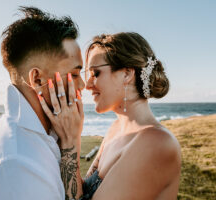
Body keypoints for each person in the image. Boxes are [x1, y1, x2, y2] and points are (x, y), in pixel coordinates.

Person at [39, 32, 182, 199]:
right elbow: (82, 192)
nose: (88, 85)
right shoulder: (115, 130)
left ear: (127, 74)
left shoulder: (157, 143)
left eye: (96, 73)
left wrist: (70, 142)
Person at [0, 6, 85, 200]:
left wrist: (70, 142)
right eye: (75, 75)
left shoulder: (42, 137)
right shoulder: (19, 164)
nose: (83, 85)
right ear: (36, 79)